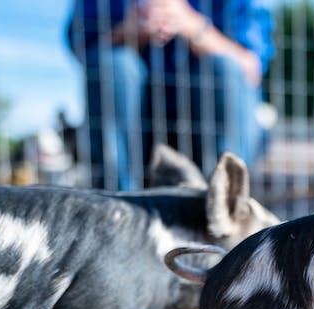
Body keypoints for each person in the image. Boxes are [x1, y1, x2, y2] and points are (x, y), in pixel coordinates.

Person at [68, 0, 274, 190]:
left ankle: (223, 202)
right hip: (136, 133)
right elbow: (83, 53)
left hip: (206, 131)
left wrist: (193, 27)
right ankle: (118, 204)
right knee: (114, 65)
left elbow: (251, 65)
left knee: (224, 67)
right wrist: (126, 32)